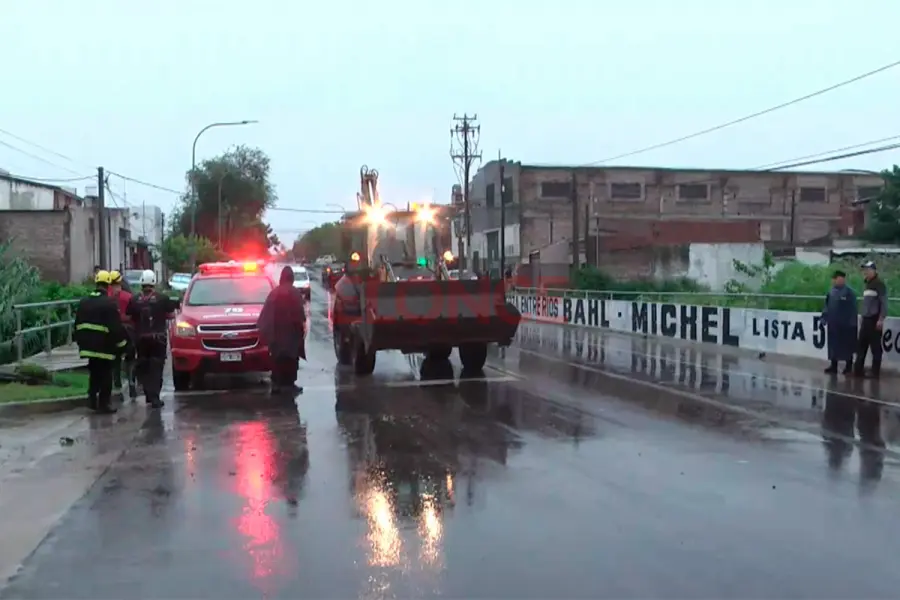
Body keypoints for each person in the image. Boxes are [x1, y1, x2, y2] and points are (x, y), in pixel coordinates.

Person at [74, 270, 128, 413]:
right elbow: (115, 328)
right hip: (104, 347)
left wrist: (80, 342)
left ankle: (92, 400)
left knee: (94, 373)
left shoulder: (84, 302)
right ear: (108, 285)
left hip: (88, 346)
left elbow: (77, 324)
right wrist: (123, 345)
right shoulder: (109, 303)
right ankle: (104, 404)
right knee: (105, 375)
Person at [126, 269, 179, 408]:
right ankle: (155, 397)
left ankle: (148, 394)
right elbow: (171, 315)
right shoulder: (163, 298)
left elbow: (129, 317)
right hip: (158, 339)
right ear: (154, 282)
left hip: (140, 339)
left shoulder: (134, 299)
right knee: (156, 367)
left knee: (144, 365)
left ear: (141, 283)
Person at [259, 266, 307, 393]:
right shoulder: (295, 292)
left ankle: (277, 383)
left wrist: (267, 334)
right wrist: (301, 330)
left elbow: (265, 315)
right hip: (291, 334)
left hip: (276, 334)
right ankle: (290, 384)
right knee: (291, 360)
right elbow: (300, 314)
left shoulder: (274, 293)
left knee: (277, 359)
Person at [854, 260, 888, 378]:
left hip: (874, 319)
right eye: (865, 270)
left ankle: (875, 372)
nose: (866, 272)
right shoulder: (867, 284)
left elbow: (884, 303)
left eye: (868, 270)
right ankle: (858, 370)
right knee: (861, 345)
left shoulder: (879, 284)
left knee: (875, 347)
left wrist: (881, 319)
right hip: (866, 319)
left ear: (874, 271)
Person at [821, 270, 857, 375]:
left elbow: (853, 309)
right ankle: (833, 366)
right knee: (833, 346)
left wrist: (852, 323)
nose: (835, 281)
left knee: (847, 347)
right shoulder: (831, 292)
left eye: (837, 278)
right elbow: (826, 306)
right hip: (833, 324)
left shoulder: (849, 292)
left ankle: (848, 367)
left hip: (846, 324)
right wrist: (824, 318)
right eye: (834, 279)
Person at [108, 271, 138, 398]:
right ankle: (131, 382)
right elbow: (135, 315)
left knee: (115, 358)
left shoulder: (107, 298)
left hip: (113, 332)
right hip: (129, 331)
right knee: (130, 358)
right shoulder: (129, 297)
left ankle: (117, 384)